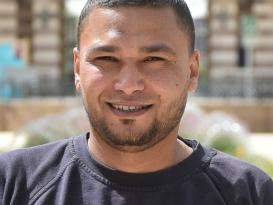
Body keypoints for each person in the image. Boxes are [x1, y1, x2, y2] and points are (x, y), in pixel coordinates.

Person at [0, 0, 272, 204]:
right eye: (106, 59)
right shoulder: (12, 183)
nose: (128, 84)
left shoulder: (248, 192)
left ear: (192, 71)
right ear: (77, 69)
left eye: (154, 60)